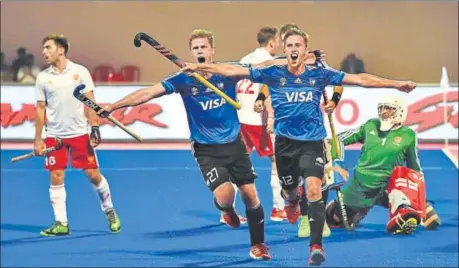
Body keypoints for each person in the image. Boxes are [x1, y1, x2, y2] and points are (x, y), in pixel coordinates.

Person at [181, 27, 416, 266]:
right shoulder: (273, 72)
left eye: (298, 46)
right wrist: (200, 67)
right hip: (284, 144)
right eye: (290, 46)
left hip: (312, 142)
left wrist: (396, 84)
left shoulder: (319, 73)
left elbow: (360, 79)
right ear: (285, 49)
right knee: (291, 193)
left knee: (314, 188)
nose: (294, 49)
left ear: (305, 50)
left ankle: (316, 247)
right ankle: (292, 201)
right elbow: (233, 70)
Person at [97, 29, 270, 260]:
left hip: (234, 143)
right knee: (226, 195)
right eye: (195, 48)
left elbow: (262, 67)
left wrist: (296, 59)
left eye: (203, 47)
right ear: (191, 53)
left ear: (212, 51)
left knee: (251, 195)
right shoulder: (183, 79)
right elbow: (148, 93)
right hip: (206, 149)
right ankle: (227, 210)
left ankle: (258, 245)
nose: (200, 51)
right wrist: (113, 106)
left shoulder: (226, 73)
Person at [34, 34, 121, 236]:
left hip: (80, 133)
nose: (44, 52)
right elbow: (40, 109)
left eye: (48, 47)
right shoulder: (42, 77)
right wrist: (38, 140)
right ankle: (61, 223)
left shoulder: (80, 72)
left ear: (61, 49)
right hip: (54, 136)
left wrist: (95, 127)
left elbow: (90, 102)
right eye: (43, 48)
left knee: (93, 175)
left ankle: (109, 211)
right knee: (56, 176)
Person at [325, 93, 441, 234]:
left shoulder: (408, 135)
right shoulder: (370, 125)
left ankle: (410, 208)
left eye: (389, 108)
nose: (384, 112)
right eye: (381, 108)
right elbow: (339, 139)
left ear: (400, 111)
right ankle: (407, 210)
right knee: (333, 218)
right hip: (361, 186)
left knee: (402, 187)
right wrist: (337, 160)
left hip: (388, 187)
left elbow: (414, 168)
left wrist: (420, 196)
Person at [224, 26, 287, 224]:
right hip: (258, 122)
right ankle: (278, 208)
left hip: (240, 118)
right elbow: (266, 91)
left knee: (237, 164)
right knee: (278, 161)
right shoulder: (270, 63)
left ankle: (227, 211)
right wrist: (271, 119)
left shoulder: (245, 59)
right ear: (272, 43)